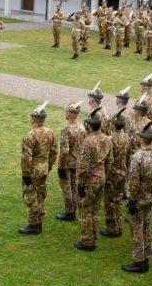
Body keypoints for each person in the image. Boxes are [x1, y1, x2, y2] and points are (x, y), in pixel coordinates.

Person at [122, 121, 152, 273]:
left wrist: (131, 199)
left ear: (142, 139)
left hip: (138, 199)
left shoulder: (137, 157)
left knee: (137, 229)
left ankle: (138, 260)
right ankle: (146, 257)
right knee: (146, 227)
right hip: (150, 197)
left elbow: (133, 182)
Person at [75, 109, 111, 251]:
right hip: (101, 177)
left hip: (89, 180)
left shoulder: (87, 141)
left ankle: (87, 241)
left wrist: (81, 183)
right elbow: (109, 160)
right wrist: (104, 174)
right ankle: (93, 236)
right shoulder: (107, 139)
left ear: (89, 126)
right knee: (95, 209)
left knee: (85, 209)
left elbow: (83, 166)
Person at [18, 101, 57, 234]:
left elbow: (26, 157)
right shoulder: (50, 132)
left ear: (34, 118)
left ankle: (33, 224)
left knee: (31, 196)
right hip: (44, 168)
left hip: (33, 170)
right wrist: (49, 165)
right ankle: (39, 220)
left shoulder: (30, 135)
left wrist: (26, 174)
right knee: (40, 194)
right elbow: (54, 151)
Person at [102, 109, 131, 238]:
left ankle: (112, 228)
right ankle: (118, 225)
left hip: (112, 174)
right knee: (118, 201)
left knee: (110, 202)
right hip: (123, 173)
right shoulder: (127, 137)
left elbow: (106, 159)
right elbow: (129, 156)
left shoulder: (110, 139)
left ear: (113, 124)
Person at [56, 102, 86, 222]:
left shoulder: (66, 129)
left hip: (68, 163)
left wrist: (61, 167)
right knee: (74, 186)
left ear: (69, 114)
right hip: (78, 162)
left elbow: (64, 151)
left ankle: (69, 212)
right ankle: (75, 208)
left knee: (67, 187)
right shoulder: (82, 128)